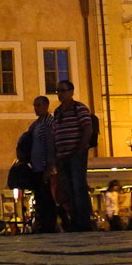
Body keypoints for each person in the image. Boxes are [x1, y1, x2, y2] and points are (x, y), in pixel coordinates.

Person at [49, 79, 95, 231]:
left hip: (76, 154)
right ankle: (75, 220)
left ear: (71, 92)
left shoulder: (79, 108)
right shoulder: (58, 112)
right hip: (62, 156)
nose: (60, 94)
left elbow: (87, 128)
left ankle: (83, 222)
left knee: (78, 186)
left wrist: (81, 148)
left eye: (62, 90)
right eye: (58, 91)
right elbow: (55, 133)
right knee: (68, 189)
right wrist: (56, 155)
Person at [20, 96, 58, 232]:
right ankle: (45, 224)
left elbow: (50, 145)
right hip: (36, 167)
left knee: (47, 197)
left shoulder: (48, 123)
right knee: (41, 197)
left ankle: (49, 225)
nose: (36, 108)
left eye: (39, 105)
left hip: (43, 166)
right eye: (35, 105)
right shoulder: (36, 124)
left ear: (46, 106)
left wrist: (49, 166)